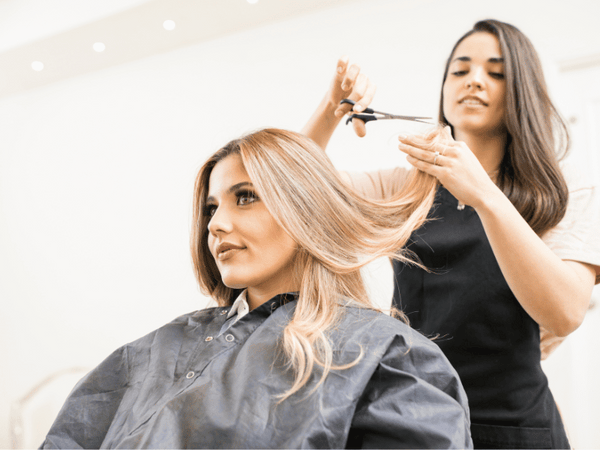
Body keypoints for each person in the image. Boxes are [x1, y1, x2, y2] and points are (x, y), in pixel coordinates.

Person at [40, 128, 472, 449]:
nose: (215, 224)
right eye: (211, 207)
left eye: (244, 197)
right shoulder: (156, 349)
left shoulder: (385, 355)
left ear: (306, 208)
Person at [302, 19, 600, 450]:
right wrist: (331, 111)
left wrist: (485, 196)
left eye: (496, 73)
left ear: (524, 92)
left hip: (516, 427)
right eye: (460, 71)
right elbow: (291, 188)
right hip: (411, 418)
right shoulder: (407, 187)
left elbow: (565, 312)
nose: (474, 81)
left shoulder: (566, 187)